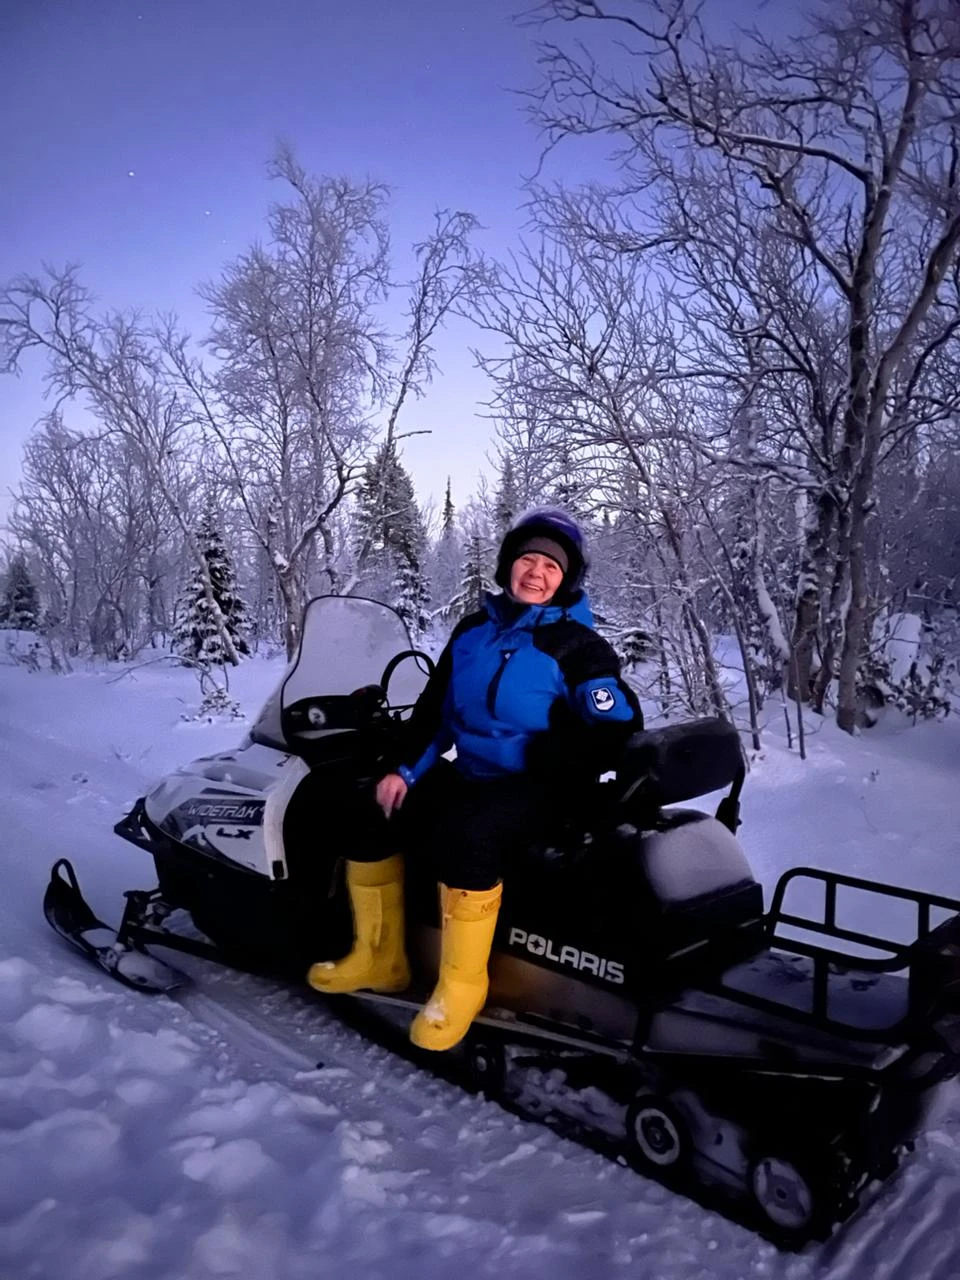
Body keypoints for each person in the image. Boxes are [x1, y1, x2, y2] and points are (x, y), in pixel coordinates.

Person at [307, 508, 642, 1052]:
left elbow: (620, 727)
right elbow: (435, 711)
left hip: (542, 786)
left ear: (567, 579)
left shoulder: (579, 647)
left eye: (551, 566)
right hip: (473, 771)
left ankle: (462, 984)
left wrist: (555, 751)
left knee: (469, 834)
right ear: (508, 565)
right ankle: (380, 956)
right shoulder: (471, 632)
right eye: (527, 559)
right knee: (370, 808)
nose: (535, 572)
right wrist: (404, 770)